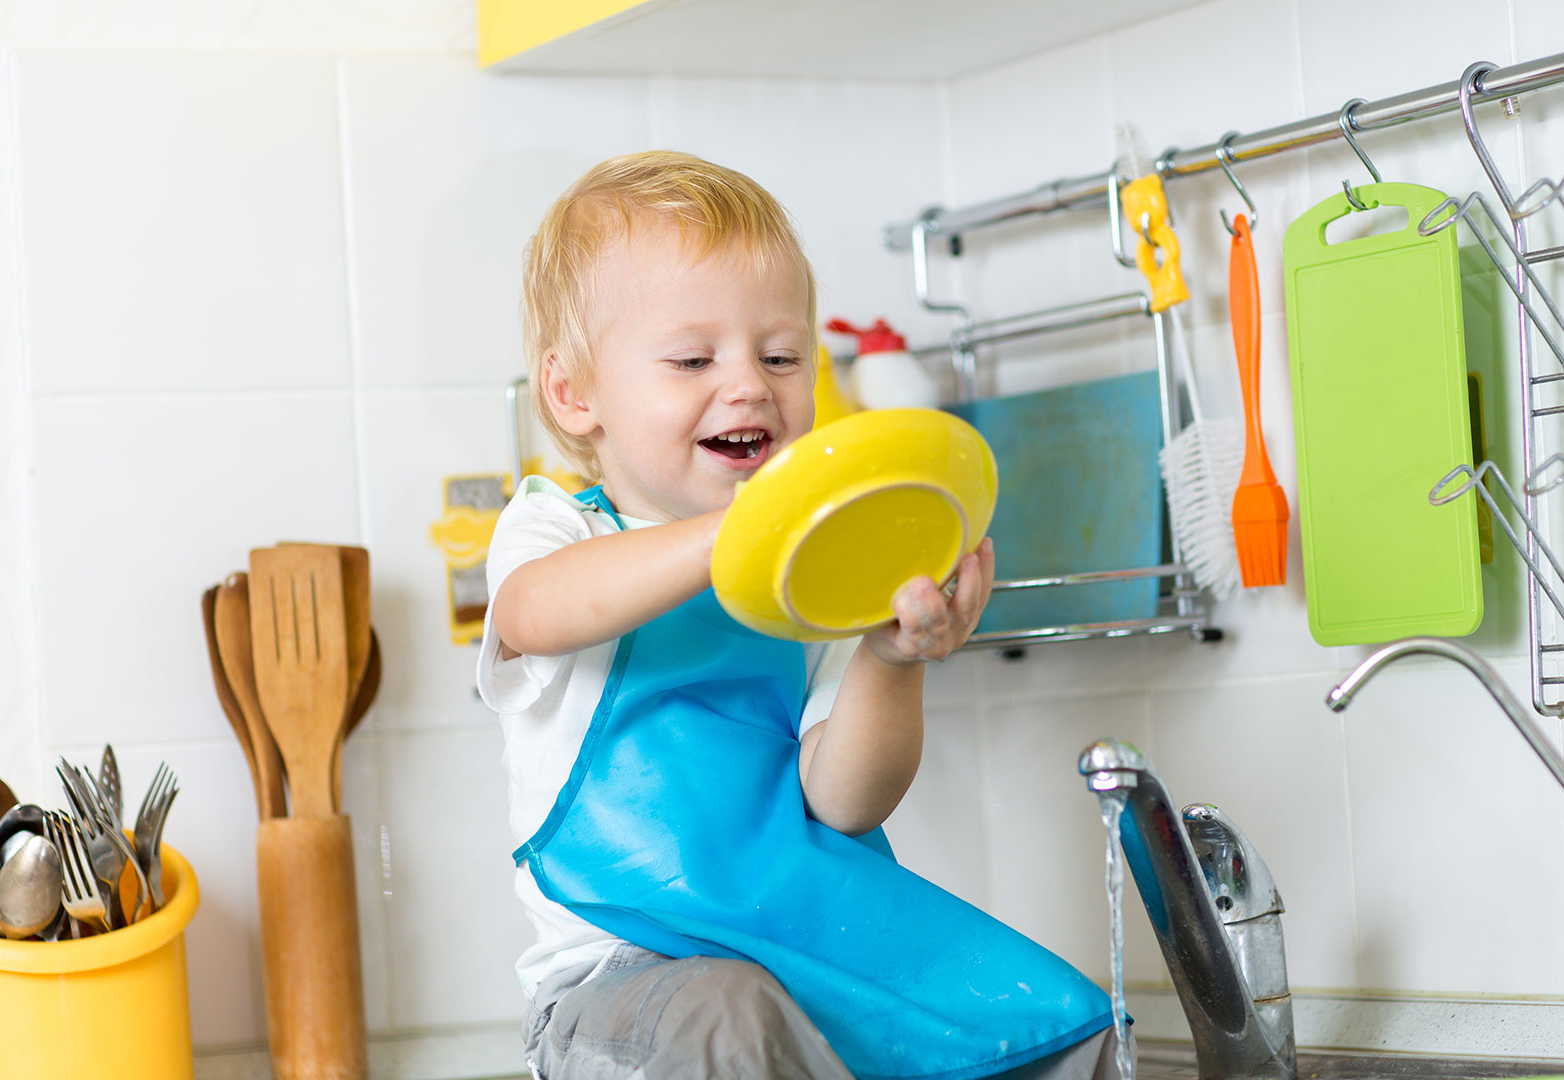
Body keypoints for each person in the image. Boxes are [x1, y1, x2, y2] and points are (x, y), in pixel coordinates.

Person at [478, 150, 1128, 1080]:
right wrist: (731, 533)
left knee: (1056, 1029)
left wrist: (888, 658)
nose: (750, 384)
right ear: (574, 394)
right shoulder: (554, 528)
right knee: (730, 1008)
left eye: (782, 356)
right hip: (615, 990)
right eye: (693, 358)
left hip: (803, 960)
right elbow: (541, 612)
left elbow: (843, 799)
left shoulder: (808, 580)